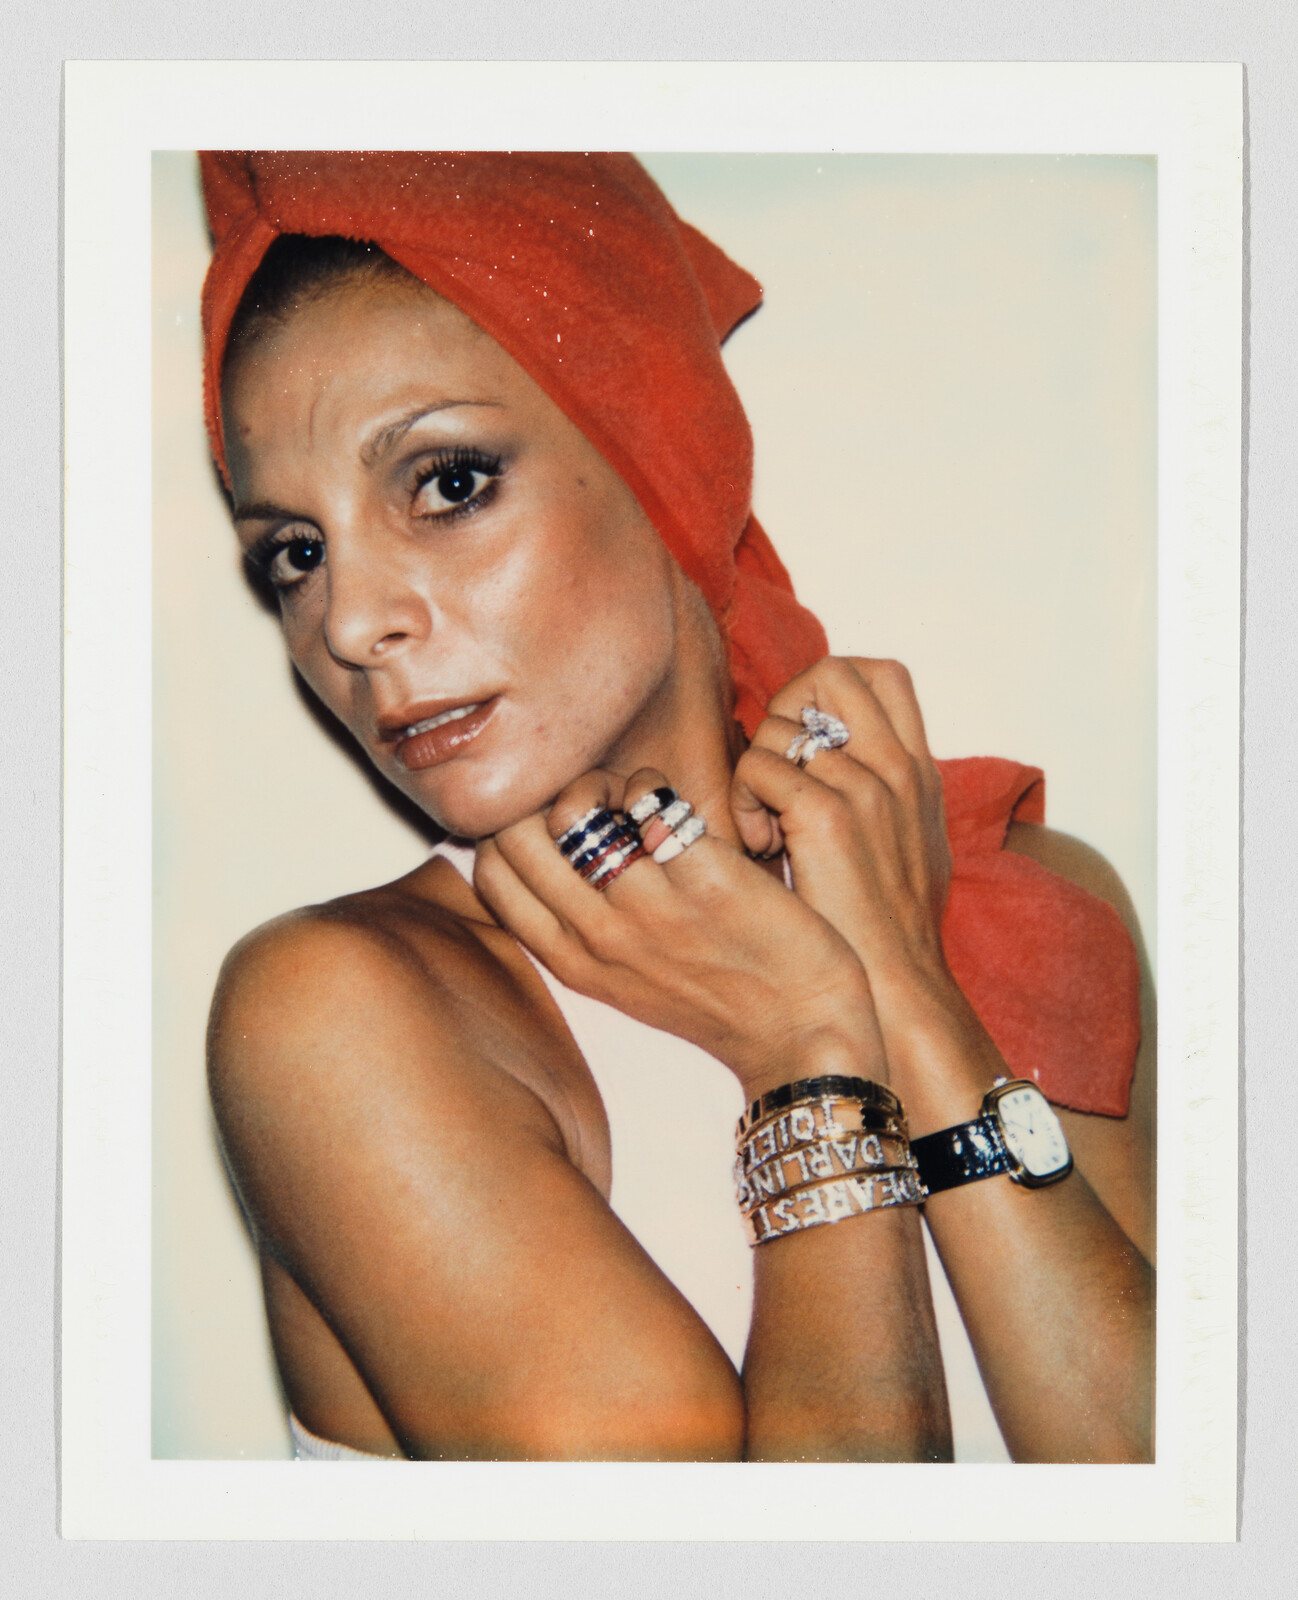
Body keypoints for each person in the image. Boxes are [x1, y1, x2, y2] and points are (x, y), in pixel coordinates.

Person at [201, 151, 1154, 1464]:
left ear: (662, 458)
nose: (351, 622)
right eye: (295, 555)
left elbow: (1166, 1500)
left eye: (447, 483)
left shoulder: (1020, 891)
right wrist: (807, 1049)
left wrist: (903, 980)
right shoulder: (341, 1014)